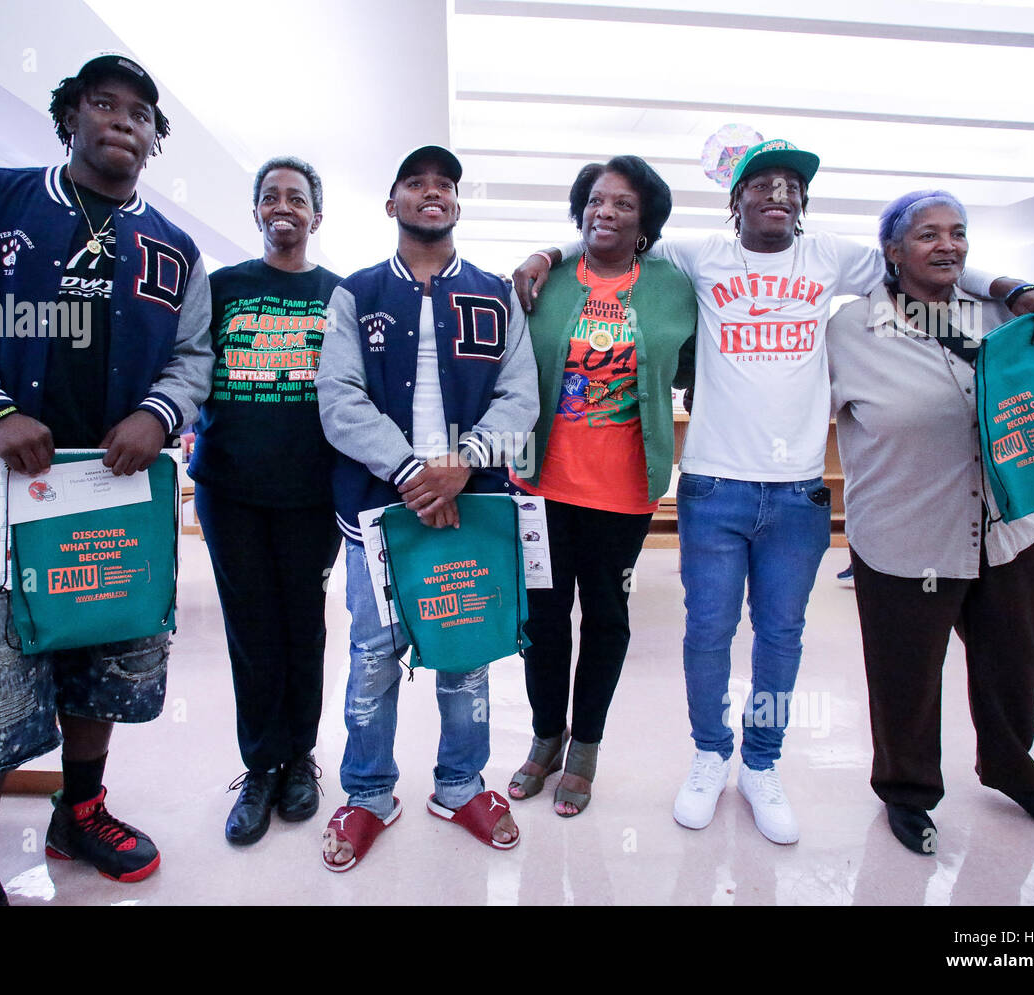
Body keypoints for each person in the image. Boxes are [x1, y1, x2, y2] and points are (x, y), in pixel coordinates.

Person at [513, 139, 1034, 845]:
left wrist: (1010, 286)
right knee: (707, 634)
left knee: (780, 637)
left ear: (802, 204)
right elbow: (613, 235)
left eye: (791, 187)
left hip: (798, 497)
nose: (778, 194)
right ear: (735, 199)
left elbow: (923, 259)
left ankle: (763, 762)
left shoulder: (830, 257)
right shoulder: (698, 256)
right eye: (762, 184)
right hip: (714, 487)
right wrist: (543, 255)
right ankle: (709, 753)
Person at [0, 53, 213, 904]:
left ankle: (81, 810)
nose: (123, 120)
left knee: (103, 653)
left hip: (108, 492)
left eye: (141, 113)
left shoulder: (174, 248)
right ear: (69, 117)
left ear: (154, 139)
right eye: (103, 104)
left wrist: (160, 413)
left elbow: (193, 358)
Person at [827, 189, 1034, 854]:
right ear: (891, 250)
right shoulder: (850, 329)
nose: (948, 245)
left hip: (1009, 531)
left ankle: (1013, 773)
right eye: (927, 234)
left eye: (958, 232)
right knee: (906, 678)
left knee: (1015, 669)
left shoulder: (1002, 312)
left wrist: (1017, 283)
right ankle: (907, 794)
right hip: (907, 534)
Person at [315, 145, 538, 870]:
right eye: (415, 183)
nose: (432, 192)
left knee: (466, 656)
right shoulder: (356, 294)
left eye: (445, 184)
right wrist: (415, 472)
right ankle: (369, 793)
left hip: (471, 504)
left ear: (458, 206)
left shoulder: (493, 294)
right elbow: (339, 400)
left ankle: (459, 784)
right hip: (381, 512)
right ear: (393, 205)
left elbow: (520, 399)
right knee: (374, 656)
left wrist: (462, 465)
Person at [505, 156, 696, 816]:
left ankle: (585, 747)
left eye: (622, 204)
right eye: (595, 200)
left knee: (608, 617)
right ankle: (544, 737)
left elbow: (700, 365)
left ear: (646, 222)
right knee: (542, 617)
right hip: (542, 484)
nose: (604, 212)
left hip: (623, 493)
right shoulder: (547, 278)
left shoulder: (673, 285)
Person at [190, 157, 342, 845]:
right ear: (256, 211)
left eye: (298, 197)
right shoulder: (221, 288)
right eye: (271, 196)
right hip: (231, 492)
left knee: (302, 627)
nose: (284, 206)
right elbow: (187, 373)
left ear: (316, 214)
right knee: (250, 631)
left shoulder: (340, 296)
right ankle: (260, 765)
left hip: (311, 494)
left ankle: (301, 758)